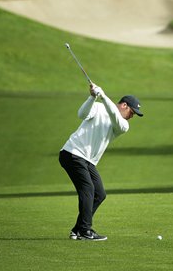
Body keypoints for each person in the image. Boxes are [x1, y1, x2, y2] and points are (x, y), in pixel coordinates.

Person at [59, 83, 143, 241]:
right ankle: (85, 230)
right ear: (124, 105)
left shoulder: (123, 125)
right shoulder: (98, 107)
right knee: (88, 189)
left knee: (99, 193)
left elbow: (114, 115)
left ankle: (78, 229)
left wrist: (103, 96)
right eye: (132, 112)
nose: (132, 116)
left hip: (87, 160)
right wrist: (92, 97)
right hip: (73, 152)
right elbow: (81, 114)